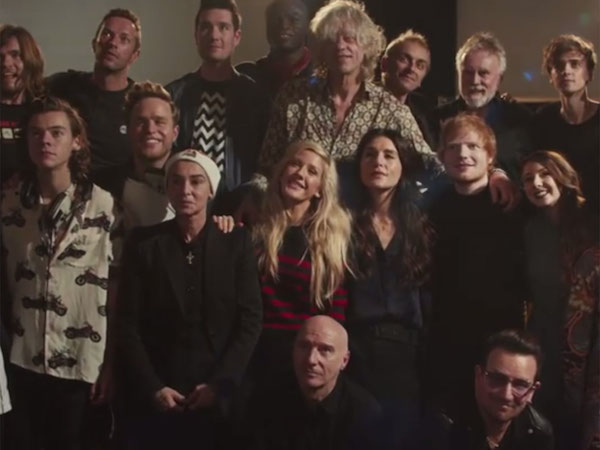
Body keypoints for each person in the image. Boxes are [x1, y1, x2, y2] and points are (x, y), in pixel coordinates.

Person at [117, 149, 262, 450]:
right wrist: (153, 387)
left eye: (196, 181)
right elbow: (128, 324)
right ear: (167, 188)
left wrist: (219, 385)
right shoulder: (143, 244)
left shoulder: (236, 242)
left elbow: (250, 321)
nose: (186, 190)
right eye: (177, 181)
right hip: (158, 394)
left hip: (217, 397)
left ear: (211, 190)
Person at [0, 96, 120, 450]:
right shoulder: (9, 205)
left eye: (56, 132)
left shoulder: (106, 207)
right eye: (36, 133)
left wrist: (111, 363)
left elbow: (119, 288)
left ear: (76, 140)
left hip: (80, 363)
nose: (45, 141)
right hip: (22, 360)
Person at [258, 0, 438, 183]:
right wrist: (255, 191)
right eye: (332, 39)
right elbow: (267, 166)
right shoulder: (293, 96)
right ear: (321, 49)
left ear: (366, 46)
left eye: (349, 39)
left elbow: (432, 166)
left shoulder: (389, 108)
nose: (340, 46)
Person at [426, 113, 526, 419]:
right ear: (442, 156)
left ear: (490, 156)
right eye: (454, 147)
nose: (463, 154)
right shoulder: (432, 210)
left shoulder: (511, 205)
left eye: (472, 146)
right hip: (447, 343)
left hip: (501, 342)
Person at [346, 128, 434, 447]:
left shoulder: (421, 223)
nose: (378, 162)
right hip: (356, 352)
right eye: (369, 155)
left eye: (388, 155)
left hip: (407, 356)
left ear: (402, 165)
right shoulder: (343, 222)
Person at [250, 139, 352, 394]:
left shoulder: (331, 239)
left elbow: (336, 313)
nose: (300, 173)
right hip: (255, 355)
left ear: (319, 189)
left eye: (312, 171)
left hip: (307, 361)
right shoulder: (256, 227)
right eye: (295, 164)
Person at [520, 150, 599, 450]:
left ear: (563, 177)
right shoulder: (530, 231)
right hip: (547, 341)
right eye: (528, 179)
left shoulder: (592, 221)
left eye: (545, 174)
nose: (537, 183)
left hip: (592, 346)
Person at [166, 0, 267, 210]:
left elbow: (269, 160)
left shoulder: (256, 98)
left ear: (236, 36)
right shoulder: (175, 94)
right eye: (206, 27)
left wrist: (252, 195)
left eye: (223, 27)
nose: (214, 35)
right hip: (183, 210)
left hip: (239, 212)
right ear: (196, 36)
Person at [46, 8, 141, 194]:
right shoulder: (62, 86)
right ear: (94, 44)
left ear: (134, 55)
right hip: (61, 197)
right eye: (107, 34)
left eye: (124, 39)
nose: (113, 43)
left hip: (116, 203)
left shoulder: (139, 102)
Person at [253, 315, 383, 450]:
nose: (311, 360)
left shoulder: (364, 413)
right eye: (304, 346)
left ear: (344, 360)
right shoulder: (268, 400)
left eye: (325, 350)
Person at [434, 32, 532, 189]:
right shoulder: (435, 119)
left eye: (483, 73)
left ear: (499, 79)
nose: (474, 81)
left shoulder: (522, 121)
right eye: (468, 73)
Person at [426, 330, 554, 450]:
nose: (506, 395)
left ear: (532, 391)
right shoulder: (443, 428)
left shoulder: (538, 434)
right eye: (497, 379)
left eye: (520, 385)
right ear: (478, 376)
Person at [533, 34, 599, 214]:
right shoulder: (543, 119)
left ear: (589, 73)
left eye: (574, 64)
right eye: (559, 65)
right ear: (551, 75)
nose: (566, 71)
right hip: (558, 213)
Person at [115, 80, 179, 230]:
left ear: (175, 133)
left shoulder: (199, 183)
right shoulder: (104, 187)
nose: (150, 129)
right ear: (128, 130)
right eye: (140, 122)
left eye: (159, 122)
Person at [236, 0, 312, 105]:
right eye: (276, 19)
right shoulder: (245, 76)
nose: (284, 25)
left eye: (293, 19)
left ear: (308, 25)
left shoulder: (324, 77)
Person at [0, 25, 45, 181]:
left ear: (30, 60)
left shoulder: (43, 110)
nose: (6, 63)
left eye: (15, 55)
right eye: (0, 56)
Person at [381, 30, 436, 147]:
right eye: (404, 59)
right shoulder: (362, 101)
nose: (411, 69)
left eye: (420, 65)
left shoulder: (423, 114)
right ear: (384, 64)